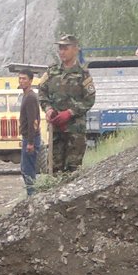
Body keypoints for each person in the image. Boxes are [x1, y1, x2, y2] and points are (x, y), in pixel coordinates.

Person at [38, 35, 94, 176]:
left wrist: (70, 112)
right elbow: (42, 93)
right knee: (54, 170)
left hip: (75, 131)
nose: (62, 52)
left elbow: (90, 99)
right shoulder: (52, 71)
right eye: (60, 48)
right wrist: (48, 109)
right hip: (56, 130)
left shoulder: (83, 74)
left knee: (73, 171)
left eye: (65, 48)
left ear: (75, 50)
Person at [16, 67, 44, 195]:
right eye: (20, 78)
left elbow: (33, 121)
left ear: (31, 80)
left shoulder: (31, 97)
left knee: (28, 170)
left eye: (24, 79)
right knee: (25, 169)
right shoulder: (26, 96)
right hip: (27, 138)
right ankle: (31, 195)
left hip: (31, 138)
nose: (21, 81)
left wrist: (31, 142)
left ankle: (32, 197)